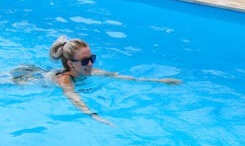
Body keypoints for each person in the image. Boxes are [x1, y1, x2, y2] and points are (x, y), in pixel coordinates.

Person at [48, 36, 181, 125]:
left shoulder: (90, 71)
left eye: (92, 58)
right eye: (84, 61)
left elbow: (120, 77)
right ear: (71, 64)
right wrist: (93, 115)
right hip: (35, 79)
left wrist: (159, 81)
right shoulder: (65, 79)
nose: (90, 64)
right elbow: (73, 97)